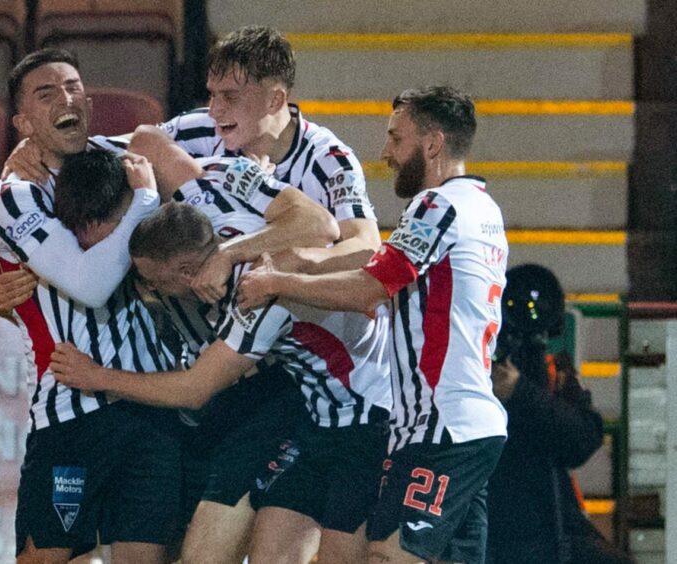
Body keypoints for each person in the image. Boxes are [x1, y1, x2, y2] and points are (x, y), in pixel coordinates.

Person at [236, 86, 509, 564]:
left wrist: (277, 281)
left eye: (395, 138)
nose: (385, 153)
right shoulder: (484, 209)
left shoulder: (436, 207)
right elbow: (390, 282)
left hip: (439, 425)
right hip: (468, 424)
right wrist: (312, 266)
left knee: (386, 557)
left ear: (432, 144)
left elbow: (370, 287)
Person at [49, 199, 393, 564]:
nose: (147, 289)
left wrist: (97, 376)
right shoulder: (234, 233)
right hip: (318, 420)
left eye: (152, 280)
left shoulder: (256, 290)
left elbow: (195, 389)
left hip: (368, 421)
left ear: (185, 271)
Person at [3, 25, 381, 304]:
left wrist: (282, 266)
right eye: (212, 95)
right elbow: (111, 150)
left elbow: (366, 247)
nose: (216, 110)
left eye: (230, 97)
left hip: (330, 351)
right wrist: (26, 148)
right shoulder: (200, 127)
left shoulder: (330, 160)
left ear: (275, 100)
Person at [0, 48, 183, 564]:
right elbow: (89, 286)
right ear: (23, 122)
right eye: (46, 94)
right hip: (71, 411)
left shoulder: (125, 160)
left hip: (150, 403)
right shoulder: (15, 196)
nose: (65, 98)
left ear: (88, 103)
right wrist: (142, 203)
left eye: (73, 87)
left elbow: (194, 141)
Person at [487, 264, 634, 564]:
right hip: (493, 525)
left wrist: (520, 392)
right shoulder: (473, 367)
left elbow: (581, 441)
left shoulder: (555, 369)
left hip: (552, 523)